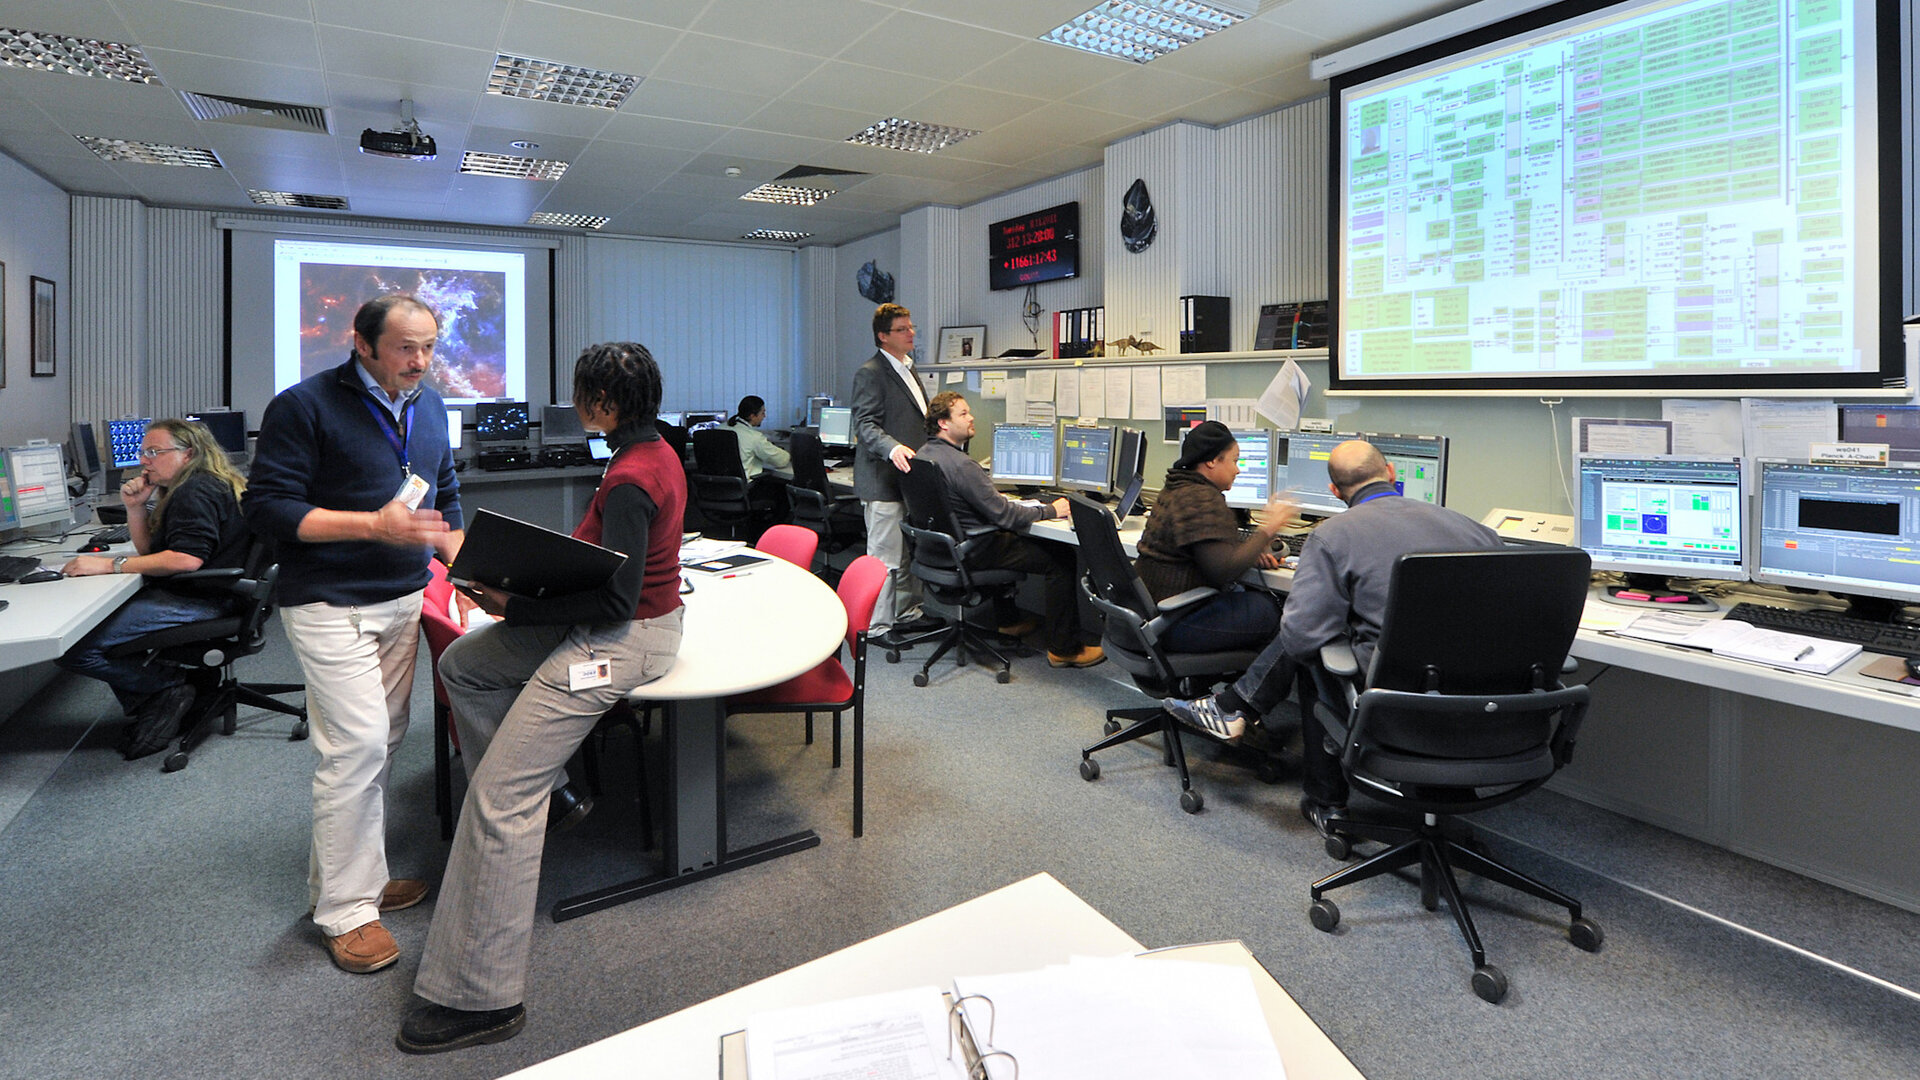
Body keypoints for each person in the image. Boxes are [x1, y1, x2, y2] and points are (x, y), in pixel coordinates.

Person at [399, 342, 686, 1054]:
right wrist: (529, 585)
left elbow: (616, 601)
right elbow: (611, 569)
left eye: (584, 396)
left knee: (497, 797)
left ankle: (479, 998)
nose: (579, 406)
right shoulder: (649, 453)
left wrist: (518, 603)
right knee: (465, 665)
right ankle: (555, 793)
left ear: (605, 405)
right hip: (607, 622)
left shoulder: (630, 478)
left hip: (621, 640)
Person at [244, 294, 464, 977]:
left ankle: (355, 881)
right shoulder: (304, 405)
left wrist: (467, 566)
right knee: (358, 746)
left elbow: (444, 493)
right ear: (362, 343)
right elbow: (269, 510)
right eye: (405, 347)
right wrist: (371, 525)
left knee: (381, 744)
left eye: (429, 347)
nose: (420, 361)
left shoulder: (427, 405)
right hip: (328, 601)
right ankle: (347, 912)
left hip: (402, 595)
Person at [1161, 439, 1501, 831]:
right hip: (1487, 704)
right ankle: (1235, 706)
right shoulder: (1476, 531)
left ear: (1335, 492)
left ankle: (1327, 802)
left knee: (1316, 651)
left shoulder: (1333, 536)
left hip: (1393, 701)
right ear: (1392, 474)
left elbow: (1303, 636)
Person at [56, 419, 252, 759]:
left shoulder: (196, 491)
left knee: (74, 647)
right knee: (98, 628)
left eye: (154, 452)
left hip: (202, 600)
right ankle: (172, 693)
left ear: (187, 454)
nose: (143, 460)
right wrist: (135, 507)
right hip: (214, 593)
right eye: (143, 452)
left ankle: (168, 687)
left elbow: (185, 560)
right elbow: (151, 553)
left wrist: (108, 564)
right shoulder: (200, 484)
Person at [915, 391, 1104, 668]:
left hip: (942, 549)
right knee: (1061, 558)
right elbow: (1005, 516)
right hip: (973, 550)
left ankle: (1008, 621)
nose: (972, 418)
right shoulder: (962, 465)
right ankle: (1063, 649)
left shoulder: (924, 454)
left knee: (1013, 537)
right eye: (964, 414)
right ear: (944, 424)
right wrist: (1052, 510)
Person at [1132, 421, 1290, 655]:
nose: (1238, 470)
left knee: (1255, 600)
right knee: (1279, 610)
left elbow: (1206, 549)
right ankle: (1248, 691)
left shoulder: (1178, 488)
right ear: (1212, 461)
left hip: (1155, 614)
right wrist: (1269, 528)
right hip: (1176, 620)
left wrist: (1251, 553)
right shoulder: (1201, 498)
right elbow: (1224, 571)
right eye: (1235, 461)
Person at [851, 302, 939, 646]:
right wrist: (892, 447)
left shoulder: (908, 367)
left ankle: (905, 613)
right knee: (884, 558)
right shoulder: (870, 372)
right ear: (883, 336)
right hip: (883, 479)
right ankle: (876, 626)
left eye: (911, 326)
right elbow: (866, 424)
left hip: (910, 479)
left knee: (906, 555)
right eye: (903, 329)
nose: (911, 333)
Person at [724, 393, 791, 516]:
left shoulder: (721, 428)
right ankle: (768, 532)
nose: (764, 416)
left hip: (719, 489)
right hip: (744, 490)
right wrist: (788, 453)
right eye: (762, 413)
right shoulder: (753, 437)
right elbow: (781, 460)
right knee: (784, 490)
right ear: (752, 416)